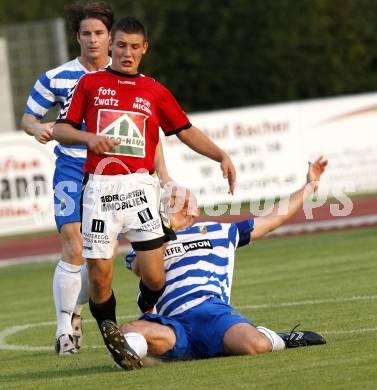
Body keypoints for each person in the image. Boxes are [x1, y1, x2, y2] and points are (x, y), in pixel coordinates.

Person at [52, 16, 236, 369]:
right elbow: (61, 129)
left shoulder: (154, 90)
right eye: (120, 45)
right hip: (101, 191)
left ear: (144, 49)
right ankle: (109, 329)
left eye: (135, 47)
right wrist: (89, 138)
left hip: (141, 190)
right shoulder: (90, 84)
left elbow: (185, 129)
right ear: (111, 46)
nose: (127, 53)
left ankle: (143, 313)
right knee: (99, 277)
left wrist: (221, 155)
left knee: (154, 276)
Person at [107, 157, 328, 366]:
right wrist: (167, 228)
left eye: (178, 201)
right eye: (168, 202)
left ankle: (279, 339)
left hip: (210, 314)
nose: (172, 205)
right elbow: (141, 269)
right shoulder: (149, 240)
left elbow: (271, 219)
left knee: (256, 345)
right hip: (172, 324)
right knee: (129, 330)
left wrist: (309, 187)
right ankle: (131, 360)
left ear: (195, 209)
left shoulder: (220, 231)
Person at [21, 2, 115, 355]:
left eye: (99, 34)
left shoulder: (123, 76)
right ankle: (65, 334)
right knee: (72, 243)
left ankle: (75, 312)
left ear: (110, 37)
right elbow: (29, 117)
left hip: (112, 173)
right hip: (70, 169)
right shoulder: (55, 77)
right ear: (77, 37)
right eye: (86, 34)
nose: (93, 40)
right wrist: (37, 129)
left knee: (99, 257)